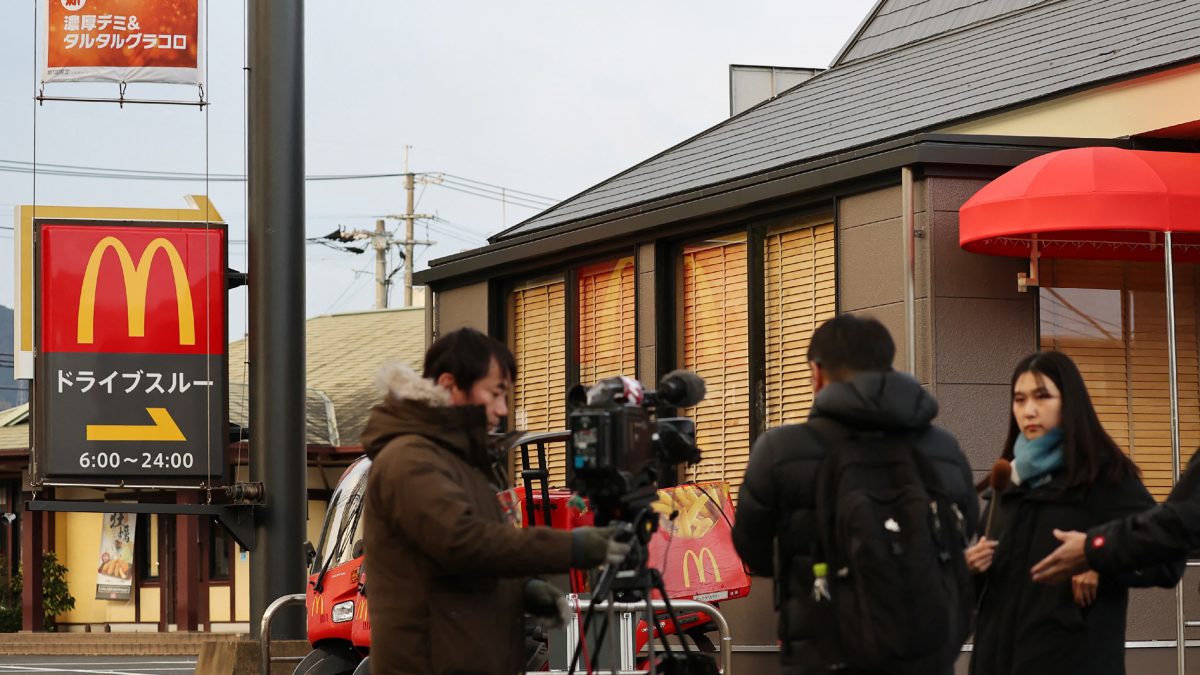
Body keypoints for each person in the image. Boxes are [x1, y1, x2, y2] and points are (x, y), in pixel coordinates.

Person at [361, 327, 628, 675]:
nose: (502, 409)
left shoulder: (456, 459)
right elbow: (463, 541)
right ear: (448, 385)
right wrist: (572, 546)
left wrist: (520, 590)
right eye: (495, 393)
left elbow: (457, 565)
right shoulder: (411, 458)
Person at [732, 314, 977, 675]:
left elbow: (754, 550)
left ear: (816, 373)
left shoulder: (780, 449)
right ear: (886, 367)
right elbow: (964, 531)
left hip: (824, 651)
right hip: (924, 654)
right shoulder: (943, 448)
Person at [964, 351, 1182, 675]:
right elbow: (983, 598)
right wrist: (970, 570)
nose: (1029, 410)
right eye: (1019, 399)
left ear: (1069, 402)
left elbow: (1168, 555)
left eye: (1042, 396)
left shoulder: (1105, 478)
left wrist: (1099, 554)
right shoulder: (1005, 485)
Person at [1031, 448, 1200, 584]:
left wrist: (1093, 551)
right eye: (1021, 402)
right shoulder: (1014, 480)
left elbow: (1178, 524)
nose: (1030, 412)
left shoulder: (1109, 473)